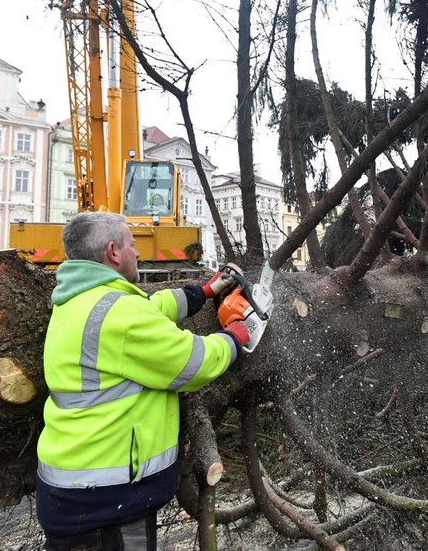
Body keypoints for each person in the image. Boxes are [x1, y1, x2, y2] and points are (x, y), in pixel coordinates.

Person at [35, 211, 263, 551]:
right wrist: (236, 336)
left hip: (82, 491)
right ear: (113, 252)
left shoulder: (82, 301)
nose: (137, 252)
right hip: (107, 503)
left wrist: (203, 292)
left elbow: (150, 306)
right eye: (132, 244)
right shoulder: (118, 315)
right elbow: (193, 362)